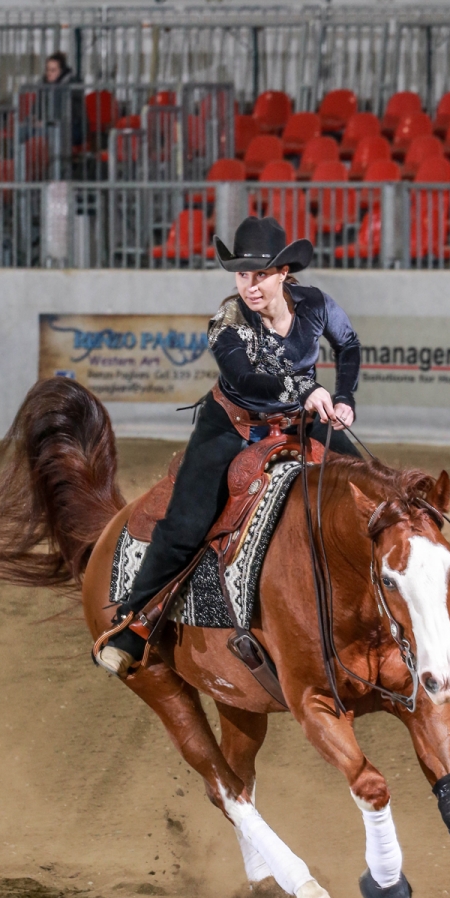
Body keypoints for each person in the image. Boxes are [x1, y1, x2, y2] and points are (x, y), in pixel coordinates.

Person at [97, 216, 362, 677]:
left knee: (363, 487)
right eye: (243, 275)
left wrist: (343, 397)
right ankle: (132, 622)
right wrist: (305, 391)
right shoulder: (228, 319)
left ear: (284, 273)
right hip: (232, 426)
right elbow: (245, 378)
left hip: (299, 420)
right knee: (186, 522)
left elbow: (349, 344)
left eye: (261, 274)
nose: (251, 286)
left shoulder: (316, 305)